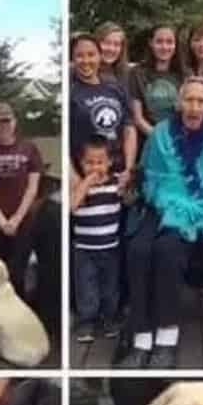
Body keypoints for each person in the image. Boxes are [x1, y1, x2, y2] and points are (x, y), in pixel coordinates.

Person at [119, 77, 203, 369]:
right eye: (189, 100)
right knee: (138, 250)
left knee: (167, 250)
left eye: (201, 101)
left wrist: (193, 206)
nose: (194, 107)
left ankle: (166, 338)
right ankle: (141, 337)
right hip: (162, 203)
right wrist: (170, 201)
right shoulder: (161, 132)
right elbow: (153, 175)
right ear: (178, 103)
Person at [0, 102, 43, 297]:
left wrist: (16, 219)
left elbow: (32, 188)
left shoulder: (29, 148)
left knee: (18, 271)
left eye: (7, 121)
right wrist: (1, 220)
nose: (4, 126)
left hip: (23, 220)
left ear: (14, 122)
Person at [70, 135, 122, 342]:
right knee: (86, 287)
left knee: (110, 287)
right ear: (80, 164)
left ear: (109, 163)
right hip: (84, 249)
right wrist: (86, 183)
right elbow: (72, 206)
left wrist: (128, 182)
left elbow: (128, 198)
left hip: (111, 246)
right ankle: (86, 322)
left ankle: (109, 319)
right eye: (89, 162)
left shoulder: (115, 183)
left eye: (99, 162)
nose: (94, 167)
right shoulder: (78, 188)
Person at [69, 33, 135, 181]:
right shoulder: (70, 93)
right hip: (86, 176)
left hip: (118, 174)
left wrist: (129, 169)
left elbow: (128, 129)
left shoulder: (116, 89)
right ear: (72, 60)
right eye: (79, 56)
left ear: (100, 56)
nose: (86, 61)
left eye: (91, 54)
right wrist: (72, 176)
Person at [129, 23, 182, 141]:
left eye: (169, 42)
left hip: (179, 140)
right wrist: (160, 138)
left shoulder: (184, 73)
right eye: (159, 42)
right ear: (151, 43)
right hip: (148, 140)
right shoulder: (137, 73)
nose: (164, 47)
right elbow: (138, 118)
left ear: (175, 45)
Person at [95, 20, 131, 94]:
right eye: (106, 43)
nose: (111, 49)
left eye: (117, 44)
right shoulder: (78, 72)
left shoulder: (128, 75)